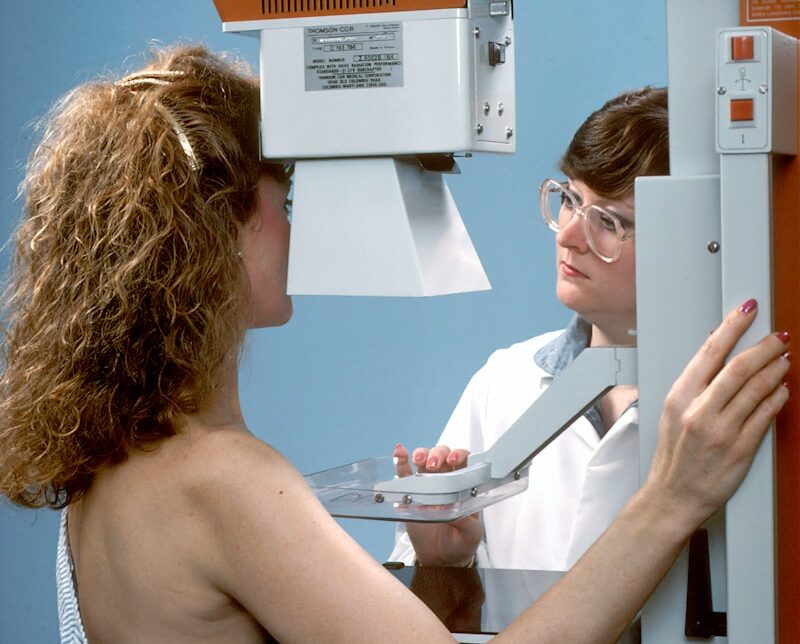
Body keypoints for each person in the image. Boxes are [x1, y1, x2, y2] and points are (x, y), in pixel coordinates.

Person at [0, 45, 790, 643]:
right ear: (217, 235)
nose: (294, 224)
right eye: (283, 196)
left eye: (610, 217)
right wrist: (672, 500)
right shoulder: (223, 481)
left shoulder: (116, 467)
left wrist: (444, 564)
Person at [390, 87, 691, 570]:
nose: (569, 236)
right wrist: (446, 565)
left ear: (693, 239)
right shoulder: (504, 382)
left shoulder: (718, 405)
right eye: (571, 199)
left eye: (610, 221)